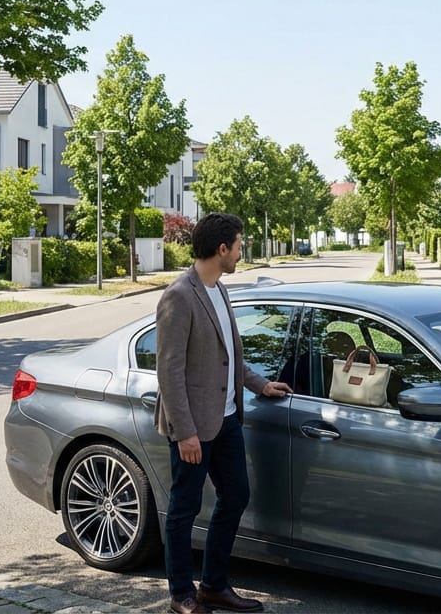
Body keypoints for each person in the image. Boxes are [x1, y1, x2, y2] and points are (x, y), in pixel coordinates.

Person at [155, 212, 290, 614]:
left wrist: (259, 384)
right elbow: (169, 370)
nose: (240, 251)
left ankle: (214, 585)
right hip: (194, 426)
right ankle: (181, 594)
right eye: (239, 244)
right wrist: (185, 433)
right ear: (221, 249)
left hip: (227, 418)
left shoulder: (219, 289)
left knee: (236, 495)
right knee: (184, 508)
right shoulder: (179, 295)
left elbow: (228, 357)